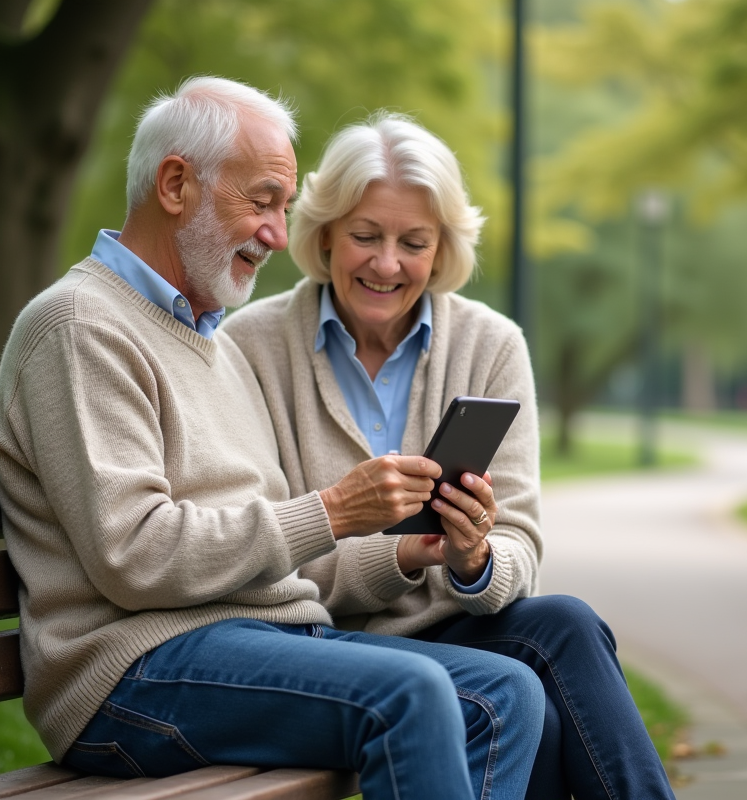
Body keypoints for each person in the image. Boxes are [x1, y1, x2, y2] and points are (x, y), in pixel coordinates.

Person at [0, 77, 546, 800]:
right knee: (410, 693)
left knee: (509, 692)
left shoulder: (212, 343)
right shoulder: (79, 326)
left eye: (283, 207)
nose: (280, 235)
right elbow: (134, 556)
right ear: (176, 183)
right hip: (132, 674)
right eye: (263, 201)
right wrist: (337, 511)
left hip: (256, 641)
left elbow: (266, 552)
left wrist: (403, 547)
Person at [222, 112, 678, 799]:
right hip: (326, 648)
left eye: (414, 242)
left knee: (569, 623)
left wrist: (474, 560)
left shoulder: (491, 344)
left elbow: (519, 537)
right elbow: (263, 551)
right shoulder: (250, 346)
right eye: (365, 236)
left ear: (441, 250)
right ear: (323, 235)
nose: (387, 263)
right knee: (541, 715)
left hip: (454, 629)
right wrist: (402, 555)